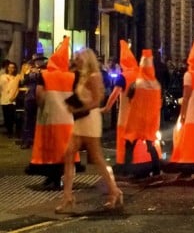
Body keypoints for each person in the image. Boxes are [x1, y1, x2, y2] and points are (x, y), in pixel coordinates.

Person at [56, 47, 123, 213]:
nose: (76, 59)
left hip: (90, 119)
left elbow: (97, 100)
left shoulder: (94, 76)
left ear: (87, 59)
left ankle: (113, 191)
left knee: (96, 157)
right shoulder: (81, 76)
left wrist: (77, 109)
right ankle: (67, 196)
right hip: (80, 120)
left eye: (78, 57)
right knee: (69, 153)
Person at [25, 37, 85, 190]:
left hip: (49, 117)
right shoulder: (72, 76)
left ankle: (51, 177)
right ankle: (58, 178)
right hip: (67, 119)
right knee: (64, 149)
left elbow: (39, 94)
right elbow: (77, 96)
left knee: (49, 148)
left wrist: (42, 107)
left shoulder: (44, 75)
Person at [167, 39, 194, 180]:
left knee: (188, 143)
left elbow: (186, 97)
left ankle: (187, 170)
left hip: (192, 115)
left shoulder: (189, 75)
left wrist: (182, 114)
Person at [122, 49, 162, 179]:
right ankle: (156, 169)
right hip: (150, 121)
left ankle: (127, 170)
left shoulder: (136, 84)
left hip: (136, 120)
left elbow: (129, 99)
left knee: (129, 144)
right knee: (151, 145)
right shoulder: (157, 85)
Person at [101, 40, 139, 177]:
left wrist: (106, 108)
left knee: (123, 140)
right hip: (139, 116)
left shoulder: (123, 77)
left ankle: (123, 164)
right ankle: (137, 163)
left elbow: (114, 94)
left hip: (125, 115)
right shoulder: (140, 74)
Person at [0, 61, 20, 138]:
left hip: (12, 99)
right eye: (10, 67)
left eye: (13, 67)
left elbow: (17, 88)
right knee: (6, 116)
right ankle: (9, 130)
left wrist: (14, 96)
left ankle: (11, 131)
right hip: (4, 98)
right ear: (7, 68)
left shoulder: (16, 77)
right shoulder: (2, 76)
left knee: (11, 115)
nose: (11, 69)